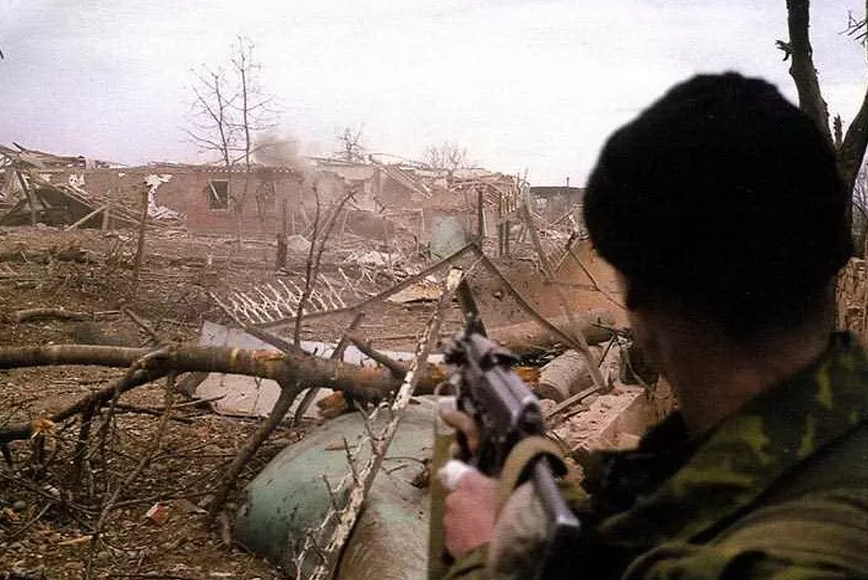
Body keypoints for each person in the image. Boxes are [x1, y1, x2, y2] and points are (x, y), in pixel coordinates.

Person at [440, 72, 868, 580]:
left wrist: (483, 554)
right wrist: (523, 469)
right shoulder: (826, 453)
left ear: (640, 300)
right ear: (828, 267)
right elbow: (658, 527)